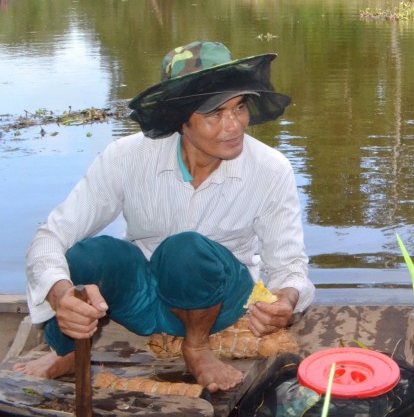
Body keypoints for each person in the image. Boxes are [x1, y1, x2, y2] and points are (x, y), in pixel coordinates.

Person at [18, 40, 314, 393]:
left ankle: (197, 346)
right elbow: (50, 237)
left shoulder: (270, 169)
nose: (234, 125)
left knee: (185, 249)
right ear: (180, 122)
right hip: (143, 301)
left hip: (220, 301)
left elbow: (289, 265)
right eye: (215, 114)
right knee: (89, 256)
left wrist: (287, 298)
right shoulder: (126, 158)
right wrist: (60, 294)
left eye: (239, 108)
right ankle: (66, 349)